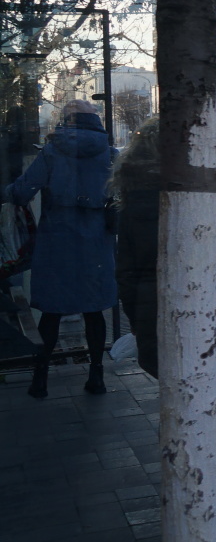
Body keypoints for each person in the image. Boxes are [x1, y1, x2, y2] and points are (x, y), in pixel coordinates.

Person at [112, 118, 216, 379]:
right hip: (208, 312)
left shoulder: (132, 202)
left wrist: (138, 320)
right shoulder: (207, 195)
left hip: (153, 315)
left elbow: (126, 275)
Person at [5, 99, 117, 398]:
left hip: (57, 241)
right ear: (94, 120)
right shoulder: (110, 154)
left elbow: (20, 192)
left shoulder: (53, 152)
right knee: (94, 311)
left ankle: (40, 379)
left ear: (66, 120)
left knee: (53, 311)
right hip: (95, 243)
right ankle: (97, 376)